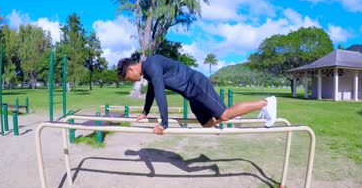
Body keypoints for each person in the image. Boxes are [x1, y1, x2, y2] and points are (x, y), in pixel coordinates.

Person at [117, 54, 277, 135]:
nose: (131, 81)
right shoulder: (149, 72)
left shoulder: (151, 64)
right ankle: (237, 113)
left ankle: (266, 103)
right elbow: (152, 91)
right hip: (191, 95)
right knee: (206, 123)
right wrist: (145, 112)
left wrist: (164, 123)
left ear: (131, 69)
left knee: (226, 115)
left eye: (128, 79)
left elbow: (160, 93)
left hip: (197, 85)